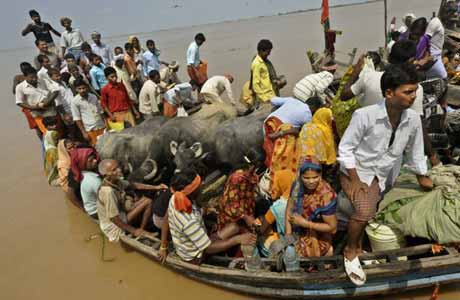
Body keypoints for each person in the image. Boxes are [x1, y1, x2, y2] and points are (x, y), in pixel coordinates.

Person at [338, 64, 433, 286]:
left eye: (415, 90)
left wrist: (423, 177)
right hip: (358, 170)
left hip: (385, 174)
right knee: (364, 209)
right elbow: (345, 149)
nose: (414, 96)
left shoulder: (412, 120)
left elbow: (417, 152)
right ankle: (352, 250)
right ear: (389, 93)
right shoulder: (364, 115)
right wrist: (354, 179)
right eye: (408, 91)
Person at [341, 41, 439, 166]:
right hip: (394, 150)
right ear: (411, 60)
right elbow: (419, 126)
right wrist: (432, 155)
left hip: (366, 145)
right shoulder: (414, 89)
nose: (412, 95)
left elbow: (344, 95)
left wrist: (356, 71)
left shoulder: (368, 77)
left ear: (390, 58)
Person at [160, 169, 257, 263]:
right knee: (238, 236)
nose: (202, 185)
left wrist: (163, 246)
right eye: (199, 185)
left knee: (234, 227)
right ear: (191, 191)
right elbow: (208, 249)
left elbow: (167, 217)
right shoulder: (189, 221)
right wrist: (237, 240)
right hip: (195, 256)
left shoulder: (175, 197)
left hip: (197, 241)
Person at [97, 159, 166, 242]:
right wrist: (134, 231)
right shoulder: (108, 192)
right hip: (113, 226)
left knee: (148, 200)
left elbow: (134, 185)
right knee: (148, 201)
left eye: (118, 167)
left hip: (120, 213)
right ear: (106, 175)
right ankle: (140, 231)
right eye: (114, 170)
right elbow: (113, 218)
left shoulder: (115, 181)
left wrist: (156, 187)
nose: (119, 170)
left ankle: (141, 228)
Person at [285, 158, 338, 258]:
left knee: (313, 256)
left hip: (319, 233)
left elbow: (332, 228)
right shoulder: (297, 185)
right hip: (298, 228)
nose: (311, 181)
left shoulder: (326, 195)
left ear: (321, 175)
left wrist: (305, 223)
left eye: (315, 177)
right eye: (306, 178)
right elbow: (289, 210)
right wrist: (288, 235)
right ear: (300, 176)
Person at [263, 96, 313, 176]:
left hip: (268, 123)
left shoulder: (292, 100)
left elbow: (273, 100)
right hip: (279, 133)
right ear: (314, 108)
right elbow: (304, 131)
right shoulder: (308, 114)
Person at [217, 149, 264, 232]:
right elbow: (229, 203)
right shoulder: (237, 178)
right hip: (232, 218)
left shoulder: (253, 176)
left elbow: (249, 197)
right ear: (258, 164)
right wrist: (245, 217)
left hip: (245, 212)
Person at [15, 67, 59, 134]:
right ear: (25, 77)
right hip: (38, 113)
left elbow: (55, 91)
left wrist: (47, 102)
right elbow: (19, 102)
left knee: (58, 131)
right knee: (47, 133)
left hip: (50, 110)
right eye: (31, 77)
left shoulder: (43, 80)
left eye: (35, 77)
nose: (34, 79)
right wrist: (34, 108)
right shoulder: (20, 87)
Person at [71, 79, 106, 146]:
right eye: (79, 89)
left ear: (86, 87)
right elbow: (77, 118)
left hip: (101, 126)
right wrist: (84, 132)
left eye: (83, 88)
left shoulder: (93, 97)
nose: (82, 90)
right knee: (97, 148)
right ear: (76, 89)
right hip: (90, 130)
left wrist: (106, 123)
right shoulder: (75, 101)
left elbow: (101, 111)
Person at [12, 62, 42, 139]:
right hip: (27, 106)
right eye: (23, 70)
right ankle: (42, 141)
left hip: (39, 102)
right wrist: (23, 88)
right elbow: (14, 91)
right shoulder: (18, 78)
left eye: (27, 69)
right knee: (35, 125)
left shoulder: (35, 76)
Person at [70, 148, 100, 219]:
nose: (95, 161)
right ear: (82, 163)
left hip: (90, 206)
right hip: (96, 210)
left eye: (94, 158)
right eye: (91, 160)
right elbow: (107, 197)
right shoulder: (94, 180)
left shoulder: (84, 174)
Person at [47, 68, 77, 137]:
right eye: (56, 76)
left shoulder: (63, 82)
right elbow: (58, 103)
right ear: (51, 77)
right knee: (72, 129)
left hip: (73, 107)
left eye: (59, 75)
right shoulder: (54, 87)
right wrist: (65, 114)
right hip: (66, 111)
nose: (59, 77)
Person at [42, 116, 60, 186]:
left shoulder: (45, 133)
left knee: (52, 168)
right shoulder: (54, 133)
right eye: (52, 125)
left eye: (55, 124)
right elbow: (56, 143)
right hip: (53, 152)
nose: (54, 126)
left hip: (48, 153)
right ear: (46, 126)